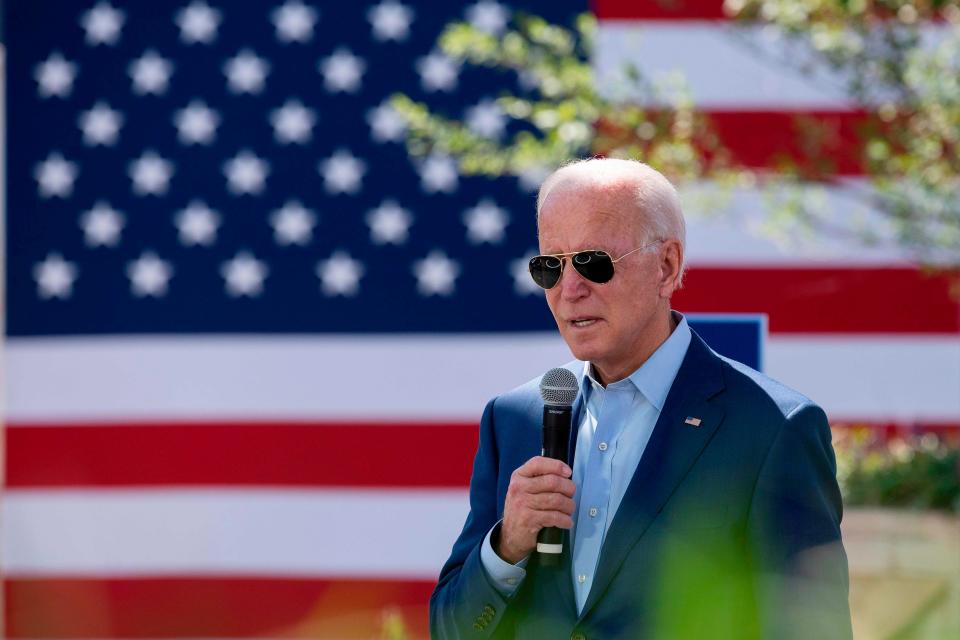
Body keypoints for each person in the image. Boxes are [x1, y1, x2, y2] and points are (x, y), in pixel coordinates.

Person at [430, 158, 852, 639]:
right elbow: (450, 630)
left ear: (667, 266)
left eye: (594, 262)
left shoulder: (774, 428)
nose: (570, 289)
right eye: (551, 266)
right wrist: (505, 548)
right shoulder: (514, 418)